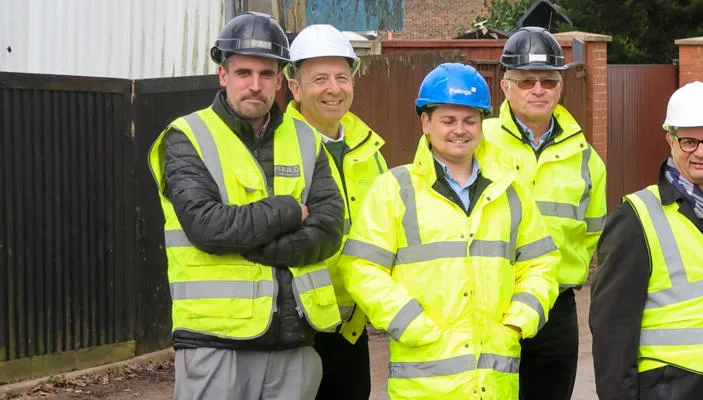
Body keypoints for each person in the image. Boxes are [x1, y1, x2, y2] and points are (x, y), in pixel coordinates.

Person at [150, 12, 344, 399]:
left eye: (266, 74)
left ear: (278, 79)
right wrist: (289, 210)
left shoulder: (306, 137)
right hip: (214, 343)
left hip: (295, 340)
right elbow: (208, 227)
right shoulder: (187, 137)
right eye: (244, 73)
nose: (255, 86)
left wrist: (251, 245)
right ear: (223, 75)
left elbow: (329, 229)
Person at [338, 62, 561, 399]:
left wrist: (521, 318)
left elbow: (541, 262)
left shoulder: (511, 192)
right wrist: (409, 322)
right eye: (448, 120)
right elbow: (360, 267)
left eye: (470, 120)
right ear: (425, 123)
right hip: (424, 382)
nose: (460, 129)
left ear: (482, 124)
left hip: (494, 383)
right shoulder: (395, 190)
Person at [588, 81, 703, 399]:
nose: (701, 152)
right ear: (670, 140)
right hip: (668, 389)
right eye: (688, 141)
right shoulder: (636, 217)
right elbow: (612, 333)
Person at [477, 27, 605, 399]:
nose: (538, 89)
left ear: (560, 86)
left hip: (556, 311)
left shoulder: (585, 157)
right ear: (506, 86)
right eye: (526, 80)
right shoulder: (478, 142)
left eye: (548, 81)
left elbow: (591, 233)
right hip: (490, 305)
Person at [286, 23, 385, 400]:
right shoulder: (279, 147)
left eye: (342, 77)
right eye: (320, 79)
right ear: (295, 88)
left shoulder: (370, 149)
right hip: (296, 329)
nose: (334, 88)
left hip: (350, 328)